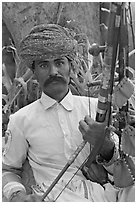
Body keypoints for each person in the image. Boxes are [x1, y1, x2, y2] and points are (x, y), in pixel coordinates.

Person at [2, 24, 134, 202]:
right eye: (43, 65)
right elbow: (9, 169)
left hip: (103, 194)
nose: (53, 72)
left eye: (59, 63)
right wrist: (18, 196)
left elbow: (120, 167)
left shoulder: (98, 109)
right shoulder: (21, 120)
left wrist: (103, 144)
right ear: (34, 72)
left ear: (70, 67)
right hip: (54, 197)